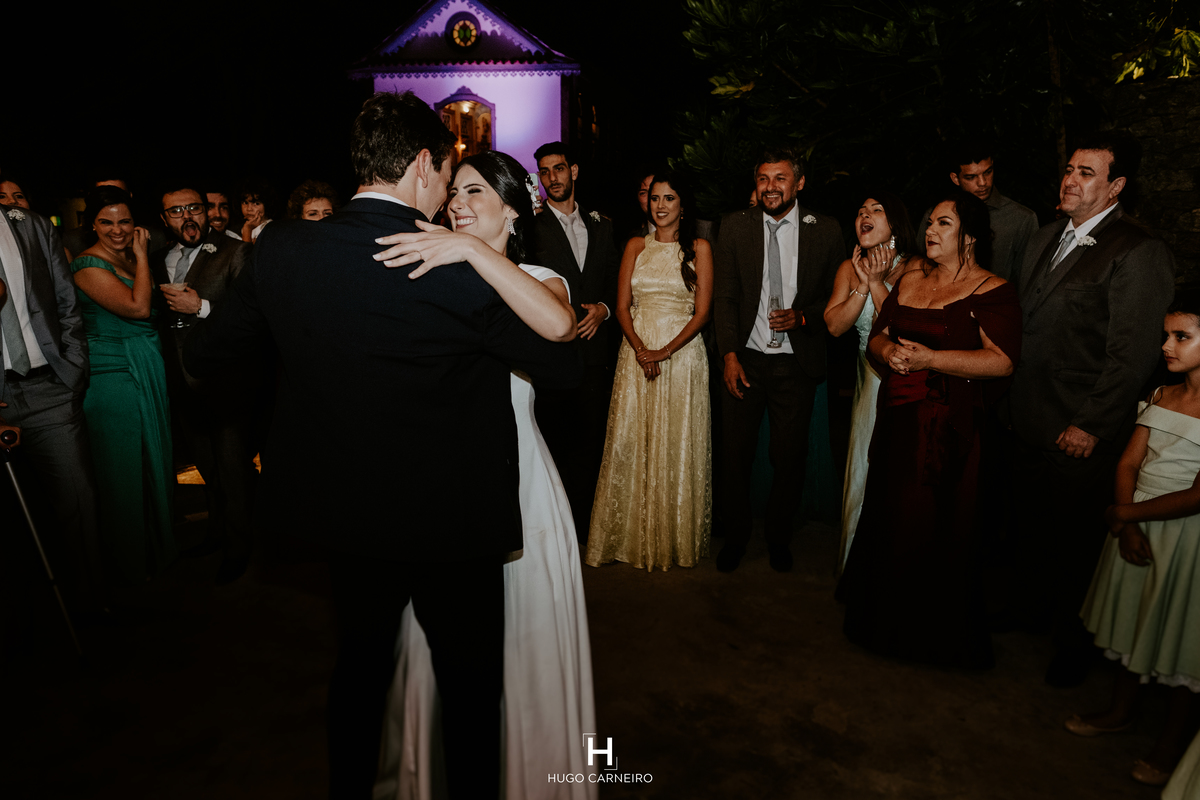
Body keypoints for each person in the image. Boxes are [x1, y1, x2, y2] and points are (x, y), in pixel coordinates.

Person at [182, 91, 580, 800]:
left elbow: (209, 352)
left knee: (360, 673)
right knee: (467, 692)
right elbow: (562, 364)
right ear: (424, 163)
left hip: (349, 521)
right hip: (454, 524)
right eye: (447, 174)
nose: (448, 195)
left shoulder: (283, 249)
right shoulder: (454, 267)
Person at [369, 149, 596, 799]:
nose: (457, 203)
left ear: (514, 210)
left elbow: (559, 325)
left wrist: (470, 251)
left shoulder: (543, 277)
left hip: (521, 485)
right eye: (454, 192)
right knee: (443, 652)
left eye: (475, 191)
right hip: (443, 484)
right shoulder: (434, 270)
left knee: (525, 644)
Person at [1006, 133, 1176, 686]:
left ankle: (1074, 644)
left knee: (1076, 543)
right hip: (1027, 416)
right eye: (1069, 169)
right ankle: (1031, 611)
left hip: (1077, 427)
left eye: (1086, 173)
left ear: (1116, 186)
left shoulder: (1137, 250)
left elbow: (1133, 355)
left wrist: (1092, 424)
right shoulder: (1044, 236)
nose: (1070, 180)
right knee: (1032, 527)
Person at [836, 189, 1021, 670]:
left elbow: (1001, 362)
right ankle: (881, 623)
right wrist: (889, 353)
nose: (930, 231)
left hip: (950, 431)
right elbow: (879, 336)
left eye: (943, 223)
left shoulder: (993, 290)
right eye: (930, 223)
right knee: (890, 516)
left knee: (936, 525)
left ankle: (931, 634)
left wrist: (931, 359)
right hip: (898, 420)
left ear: (970, 236)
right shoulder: (912, 278)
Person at [1067, 296, 1200, 787]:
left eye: (1181, 337)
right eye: (1166, 335)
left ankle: (1170, 743)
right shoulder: (1162, 394)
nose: (1166, 345)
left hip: (1185, 534)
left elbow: (1198, 495)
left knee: (1180, 630)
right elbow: (1128, 463)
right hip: (1137, 524)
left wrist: (1124, 514)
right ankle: (1120, 711)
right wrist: (1127, 525)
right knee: (1134, 616)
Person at [712, 147, 844, 573]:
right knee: (735, 455)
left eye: (780, 178)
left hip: (795, 363)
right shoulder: (735, 226)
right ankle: (735, 539)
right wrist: (729, 355)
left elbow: (837, 297)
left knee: (789, 458)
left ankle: (779, 537)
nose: (770, 187)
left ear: (799, 183)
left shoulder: (825, 230)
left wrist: (803, 317)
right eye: (763, 178)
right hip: (746, 359)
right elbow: (725, 297)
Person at [586, 171, 713, 571]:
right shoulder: (635, 245)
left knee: (676, 440)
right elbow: (622, 307)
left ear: (683, 205)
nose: (660, 206)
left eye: (669, 198)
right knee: (631, 438)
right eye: (655, 198)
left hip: (682, 356)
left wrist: (663, 351)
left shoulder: (700, 248)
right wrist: (642, 351)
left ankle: (673, 536)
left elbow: (702, 313)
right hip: (636, 353)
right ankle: (628, 536)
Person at [150, 182, 256, 585]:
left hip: (225, 383)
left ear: (205, 211)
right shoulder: (158, 259)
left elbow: (252, 315)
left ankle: (239, 549)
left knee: (233, 472)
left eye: (193, 208)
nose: (187, 217)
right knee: (207, 470)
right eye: (176, 211)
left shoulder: (235, 251)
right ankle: (214, 534)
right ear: (164, 219)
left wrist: (202, 306)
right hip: (180, 381)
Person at [0, 199, 102, 616]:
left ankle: (89, 606)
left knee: (78, 502)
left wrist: (73, 369)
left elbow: (65, 301)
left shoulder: (32, 225)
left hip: (49, 389)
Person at [69, 186, 175, 584]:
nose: (117, 230)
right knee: (123, 474)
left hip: (144, 366)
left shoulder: (127, 257)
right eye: (107, 222)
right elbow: (138, 307)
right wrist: (144, 256)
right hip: (112, 376)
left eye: (125, 221)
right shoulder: (87, 264)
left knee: (150, 463)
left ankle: (153, 555)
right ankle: (127, 569)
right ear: (92, 225)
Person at [823, 192, 920, 572]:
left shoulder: (916, 267)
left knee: (900, 474)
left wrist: (878, 282)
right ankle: (856, 567)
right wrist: (862, 284)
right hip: (869, 382)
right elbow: (834, 326)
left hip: (905, 380)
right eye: (861, 211)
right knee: (863, 468)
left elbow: (899, 327)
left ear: (894, 224)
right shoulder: (849, 268)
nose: (865, 214)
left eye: (876, 210)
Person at [530, 142, 620, 542]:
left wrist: (604, 309)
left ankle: (582, 530)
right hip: (550, 355)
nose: (553, 177)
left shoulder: (603, 225)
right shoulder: (531, 227)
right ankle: (553, 531)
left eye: (559, 168)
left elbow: (616, 280)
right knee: (552, 445)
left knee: (590, 445)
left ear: (574, 171)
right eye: (545, 171)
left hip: (595, 356)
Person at [916, 143, 1038, 281]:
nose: (982, 182)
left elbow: (1028, 279)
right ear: (955, 179)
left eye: (988, 172)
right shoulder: (934, 216)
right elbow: (920, 266)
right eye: (971, 177)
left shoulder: (1021, 218)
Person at [237, 178, 279, 243]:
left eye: (256, 204)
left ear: (267, 205)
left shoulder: (271, 230)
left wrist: (247, 230)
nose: (249, 209)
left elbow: (246, 250)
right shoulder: (239, 228)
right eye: (245, 203)